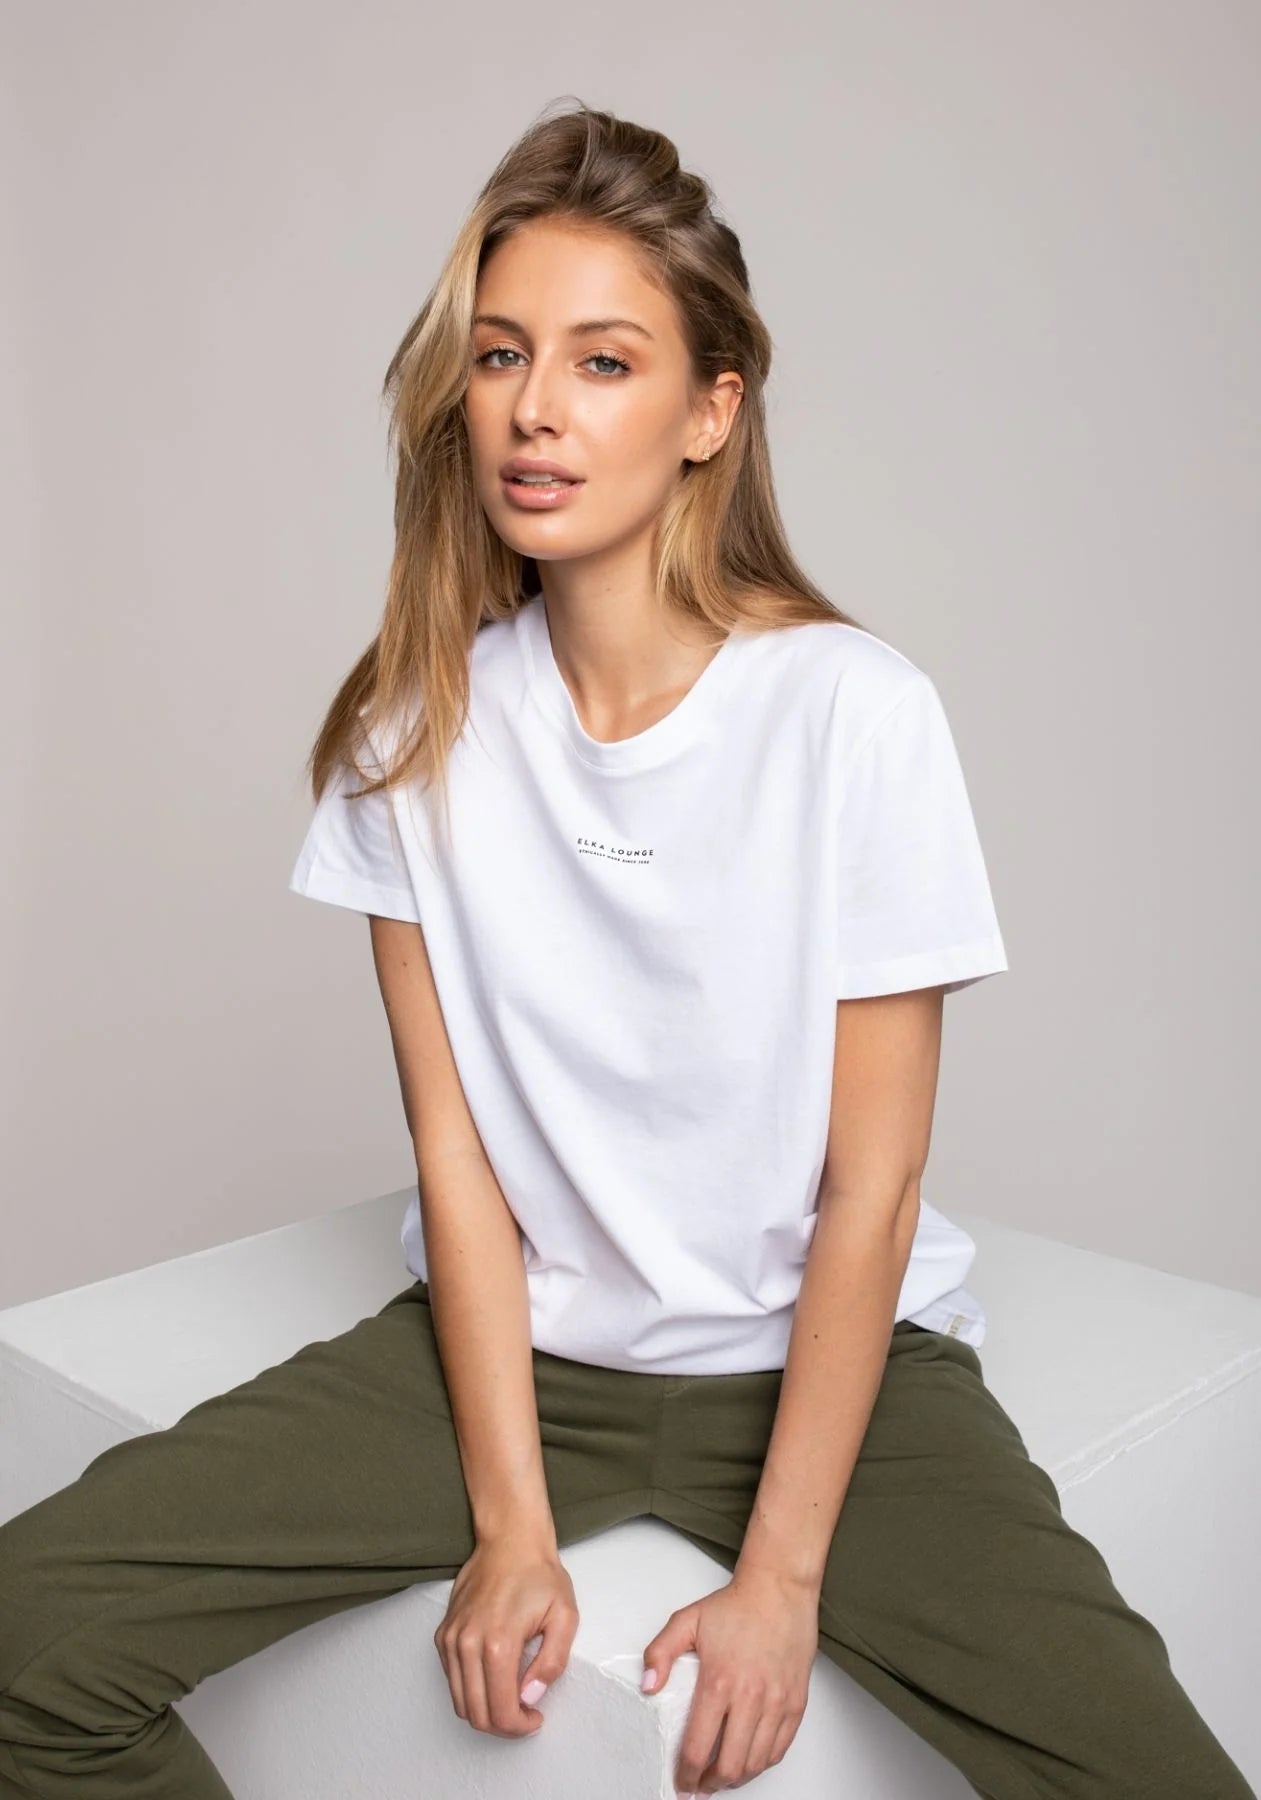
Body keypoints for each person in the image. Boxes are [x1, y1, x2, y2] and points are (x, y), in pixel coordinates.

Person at [0, 99, 1252, 1800]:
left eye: (603, 361)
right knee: (25, 1637)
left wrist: (781, 1581)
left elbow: (871, 1187)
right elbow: (458, 1154)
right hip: (514, 1365)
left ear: (707, 412)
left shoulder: (849, 712)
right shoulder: (413, 730)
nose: (535, 406)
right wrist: (511, 1527)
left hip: (829, 1379)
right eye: (501, 353)